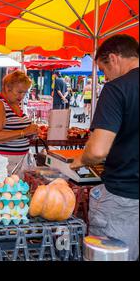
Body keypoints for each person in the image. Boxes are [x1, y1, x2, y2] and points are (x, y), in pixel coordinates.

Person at [70, 34, 139, 261]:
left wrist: (81, 160)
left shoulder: (117, 89)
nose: (105, 77)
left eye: (103, 70)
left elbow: (98, 150)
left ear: (113, 58)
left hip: (123, 198)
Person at [0, 71, 38, 177]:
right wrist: (24, 132)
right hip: (5, 163)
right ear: (7, 88)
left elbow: (15, 129)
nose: (22, 96)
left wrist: (30, 133)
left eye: (25, 92)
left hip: (19, 161)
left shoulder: (15, 104)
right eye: (19, 92)